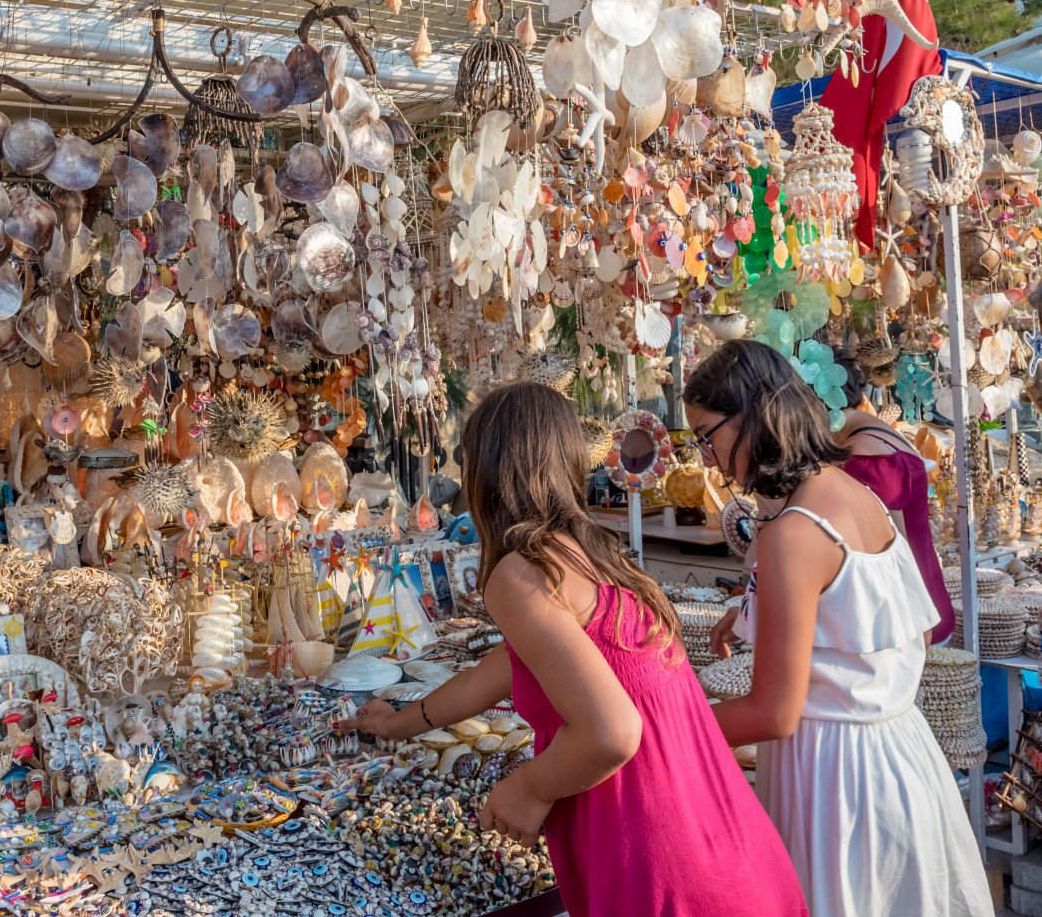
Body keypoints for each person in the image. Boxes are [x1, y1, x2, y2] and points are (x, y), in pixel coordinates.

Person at [339, 382, 806, 917]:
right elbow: (508, 664)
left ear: (487, 471)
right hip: (730, 846)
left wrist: (529, 788)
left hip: (662, 865)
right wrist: (401, 722)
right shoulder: (594, 552)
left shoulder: (520, 572)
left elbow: (611, 731)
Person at [685, 340, 990, 917]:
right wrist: (759, 612)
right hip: (903, 759)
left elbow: (774, 712)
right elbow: (901, 628)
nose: (705, 458)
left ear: (752, 415)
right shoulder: (857, 495)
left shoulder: (792, 533)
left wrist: (670, 726)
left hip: (837, 785)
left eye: (707, 435)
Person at [831, 351, 954, 643]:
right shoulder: (880, 433)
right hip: (928, 604)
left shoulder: (864, 457)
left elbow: (889, 557)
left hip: (910, 624)